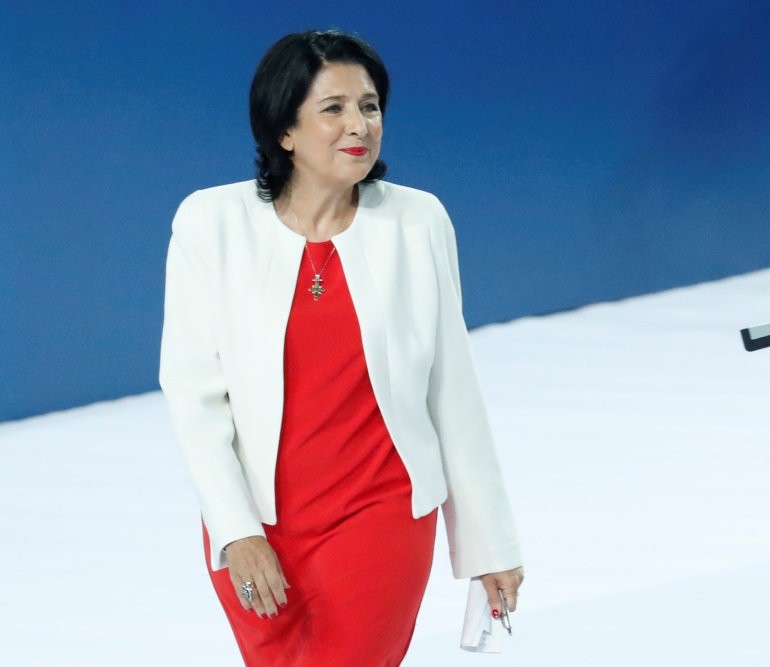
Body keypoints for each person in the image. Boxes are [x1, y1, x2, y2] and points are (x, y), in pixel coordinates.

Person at [159, 29, 524, 666]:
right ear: (284, 130)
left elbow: (452, 391)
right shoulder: (210, 222)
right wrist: (236, 530)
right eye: (334, 108)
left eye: (370, 106)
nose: (360, 125)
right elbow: (194, 398)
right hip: (256, 525)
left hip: (380, 513)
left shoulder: (418, 221)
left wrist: (489, 543)